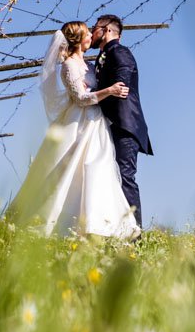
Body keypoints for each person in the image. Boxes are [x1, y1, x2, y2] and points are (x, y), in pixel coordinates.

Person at [8, 21, 141, 239]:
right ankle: (59, 222)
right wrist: (109, 90)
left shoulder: (89, 64)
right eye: (88, 33)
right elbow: (80, 98)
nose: (91, 36)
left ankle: (96, 224)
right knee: (70, 169)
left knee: (97, 168)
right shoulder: (69, 65)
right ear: (78, 39)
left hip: (96, 123)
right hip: (79, 122)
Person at [90, 14, 152, 227]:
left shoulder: (119, 51)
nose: (91, 32)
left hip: (124, 125)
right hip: (108, 125)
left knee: (125, 177)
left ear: (107, 30)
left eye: (94, 28)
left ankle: (135, 234)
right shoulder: (102, 56)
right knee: (109, 177)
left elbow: (121, 82)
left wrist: (106, 90)